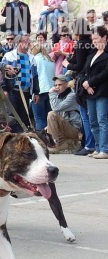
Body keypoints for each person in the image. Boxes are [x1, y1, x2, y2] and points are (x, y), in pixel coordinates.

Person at [62, 18, 95, 156]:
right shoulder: (88, 43)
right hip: (87, 81)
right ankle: (90, 144)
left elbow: (79, 66)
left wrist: (66, 65)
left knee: (86, 116)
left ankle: (89, 145)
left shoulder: (81, 44)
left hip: (82, 82)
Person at [79, 26, 108, 159]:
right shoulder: (92, 53)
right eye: (93, 39)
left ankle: (105, 149)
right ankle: (97, 147)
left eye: (96, 38)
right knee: (93, 121)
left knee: (102, 120)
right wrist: (86, 84)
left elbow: (105, 73)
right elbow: (85, 71)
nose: (94, 41)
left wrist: (91, 83)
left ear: (104, 37)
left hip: (102, 91)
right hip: (89, 92)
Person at [1, 33, 40, 129]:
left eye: (29, 41)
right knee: (11, 117)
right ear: (19, 43)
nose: (29, 43)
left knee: (24, 118)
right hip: (12, 92)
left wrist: (36, 92)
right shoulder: (9, 56)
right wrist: (4, 89)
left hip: (25, 93)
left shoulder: (32, 58)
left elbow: (34, 76)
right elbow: (3, 73)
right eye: (26, 41)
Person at [46, 75, 82, 154]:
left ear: (66, 84)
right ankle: (72, 143)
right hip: (64, 129)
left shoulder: (72, 95)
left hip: (73, 128)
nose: (57, 87)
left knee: (51, 114)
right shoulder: (59, 96)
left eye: (60, 85)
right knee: (45, 131)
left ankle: (53, 146)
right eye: (55, 85)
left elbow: (55, 108)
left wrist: (51, 93)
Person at [30, 45, 54, 131]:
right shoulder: (50, 60)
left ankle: (41, 141)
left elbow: (33, 76)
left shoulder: (34, 59)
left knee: (39, 118)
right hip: (51, 90)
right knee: (49, 118)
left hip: (39, 91)